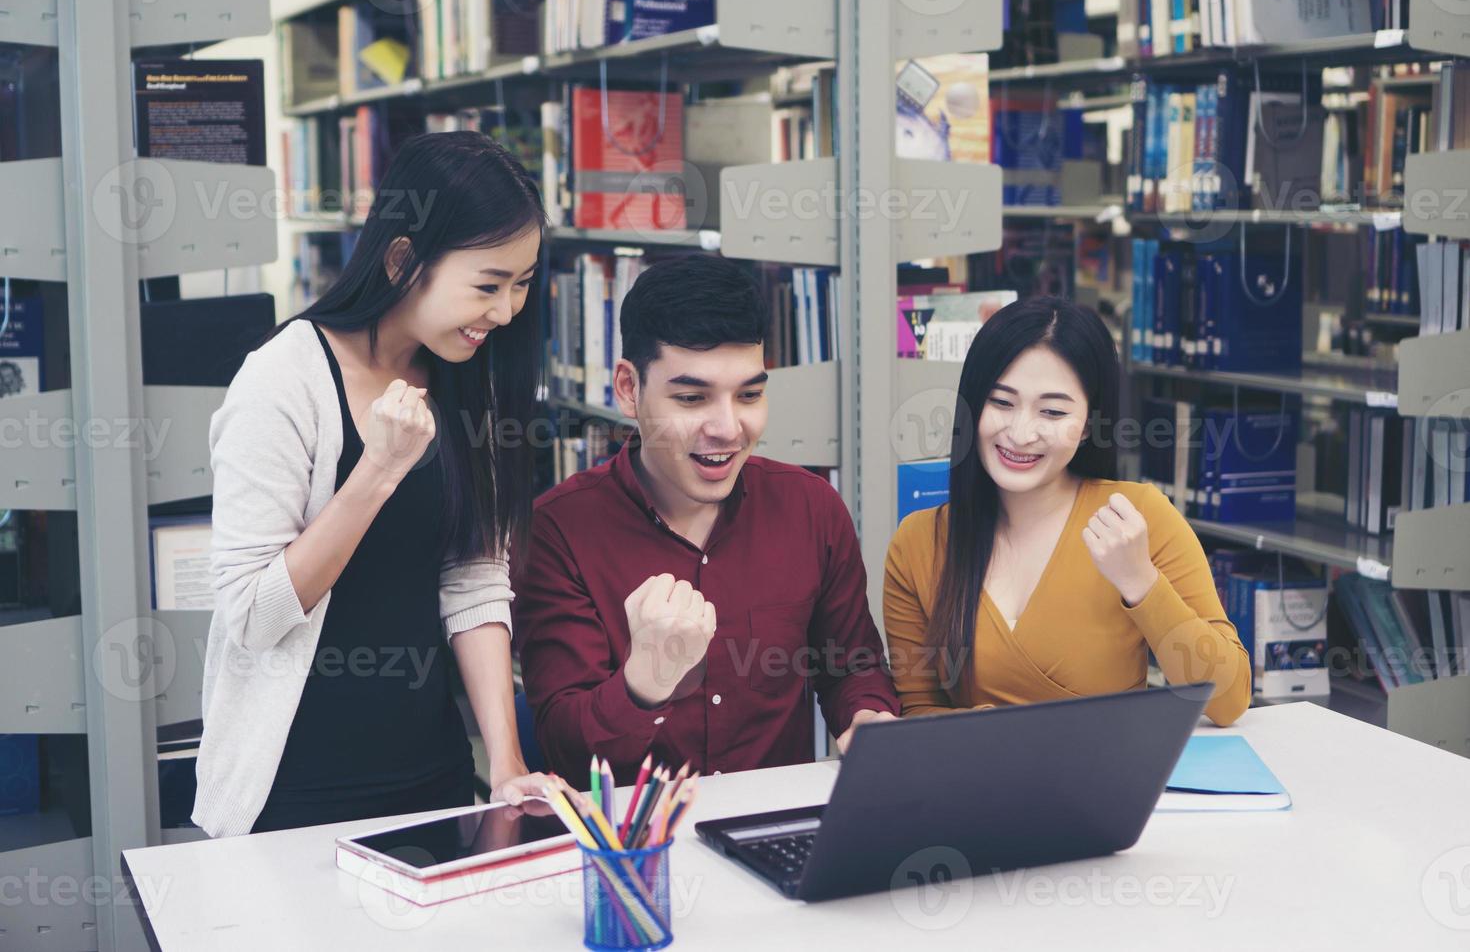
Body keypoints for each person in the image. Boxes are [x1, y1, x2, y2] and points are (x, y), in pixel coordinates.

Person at [193, 132, 550, 837]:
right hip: (293, 793)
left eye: (522, 284)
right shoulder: (281, 381)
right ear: (401, 260)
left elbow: (475, 580)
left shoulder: (463, 377)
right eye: (487, 285)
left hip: (435, 776)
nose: (506, 312)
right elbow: (254, 616)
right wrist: (379, 469)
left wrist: (505, 764)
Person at [514, 254, 899, 786]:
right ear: (629, 389)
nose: (727, 428)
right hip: (634, 850)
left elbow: (851, 667)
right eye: (692, 398)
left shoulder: (811, 508)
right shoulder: (558, 531)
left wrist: (864, 716)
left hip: (769, 834)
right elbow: (566, 753)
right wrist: (643, 682)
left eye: (750, 395)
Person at [882, 296, 1250, 726]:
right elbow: (918, 711)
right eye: (1001, 402)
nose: (1021, 433)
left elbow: (1227, 699)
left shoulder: (1139, 517)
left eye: (1053, 411)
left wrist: (1141, 583)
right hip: (978, 786)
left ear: (1090, 423)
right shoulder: (918, 542)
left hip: (1110, 786)